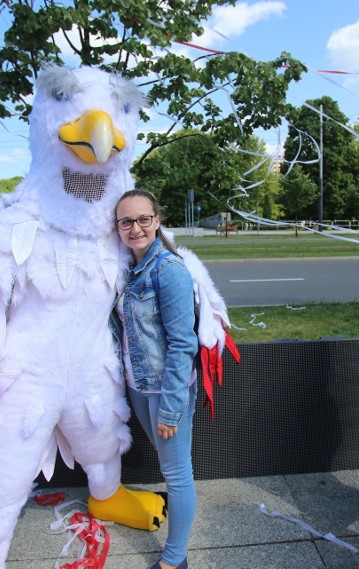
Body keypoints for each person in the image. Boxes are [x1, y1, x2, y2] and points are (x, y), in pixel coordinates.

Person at [110, 189, 198, 569]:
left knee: (177, 474)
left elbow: (183, 344)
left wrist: (171, 408)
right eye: (126, 221)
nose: (136, 228)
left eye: (143, 219)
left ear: (157, 221)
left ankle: (175, 559)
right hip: (138, 384)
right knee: (170, 468)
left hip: (165, 388)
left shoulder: (168, 269)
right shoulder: (127, 267)